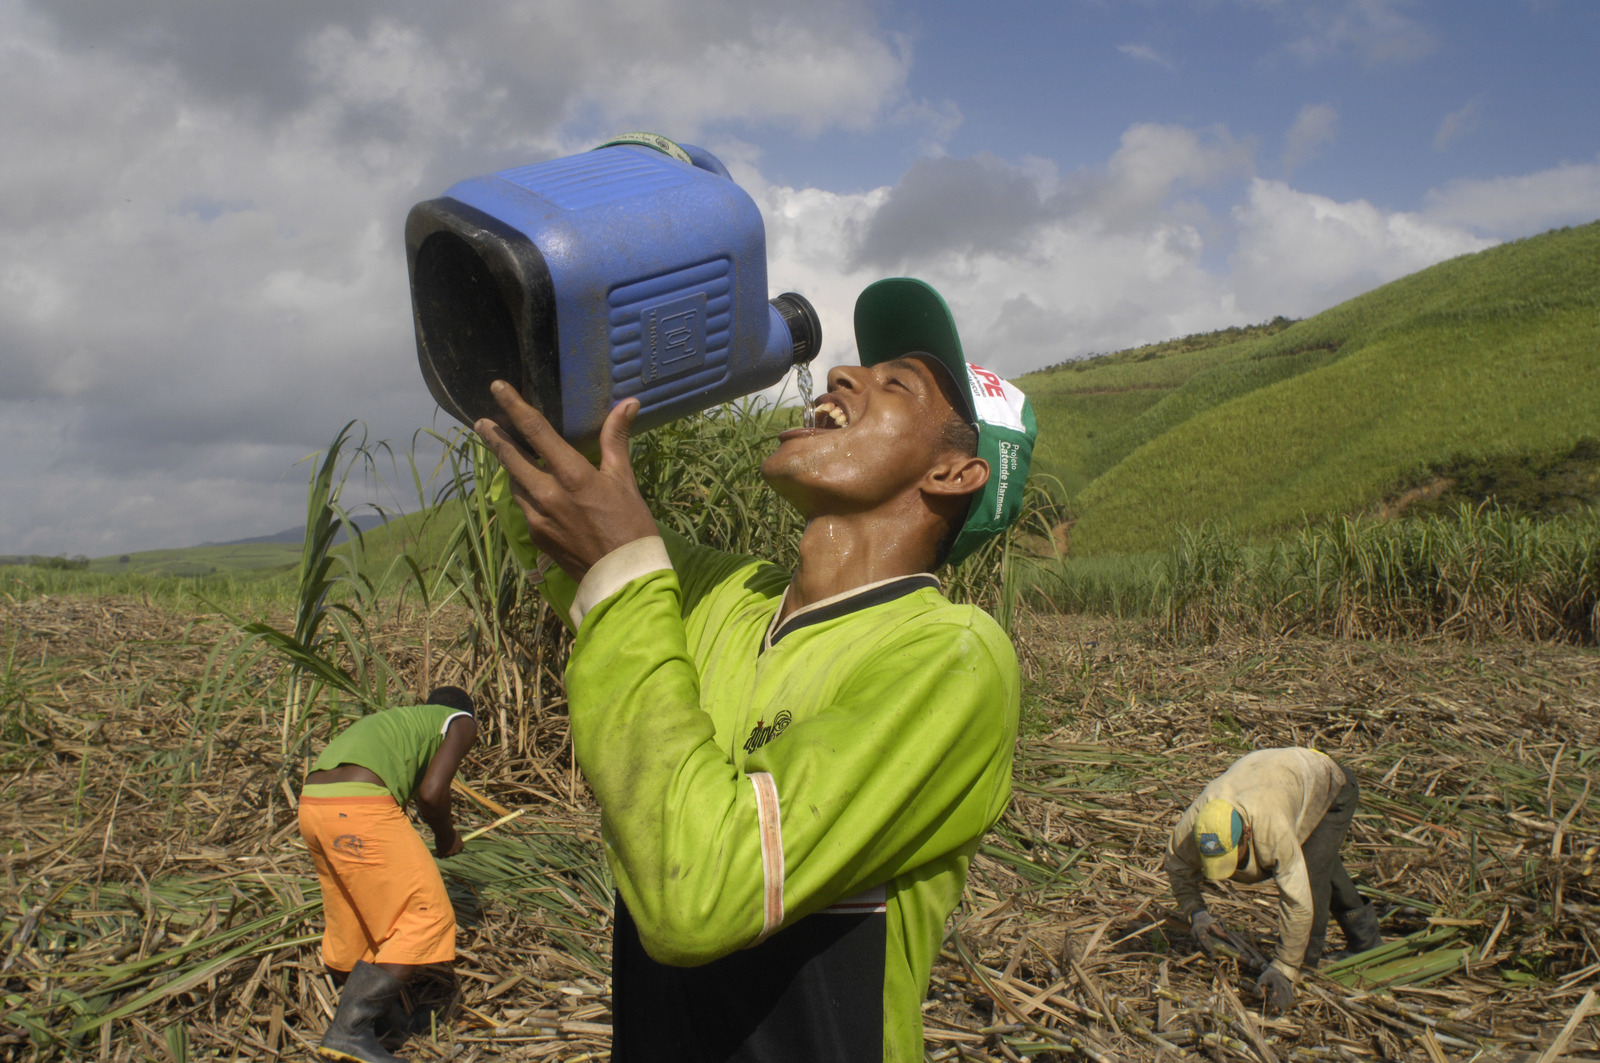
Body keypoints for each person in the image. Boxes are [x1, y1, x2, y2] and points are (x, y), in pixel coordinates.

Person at [478, 278, 1037, 1062]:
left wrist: (625, 573)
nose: (844, 373)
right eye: (857, 367)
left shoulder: (949, 656)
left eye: (894, 384)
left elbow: (698, 897)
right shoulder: (727, 596)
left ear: (951, 475)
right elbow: (550, 497)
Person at [298, 686, 478, 1063]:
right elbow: (432, 793)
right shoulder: (459, 721)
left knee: (359, 922)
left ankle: (387, 1025)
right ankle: (349, 1032)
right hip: (360, 807)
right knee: (426, 916)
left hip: (313, 807)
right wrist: (446, 838)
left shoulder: (400, 721)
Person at [1163, 746, 1384, 1014]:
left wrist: (1285, 967)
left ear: (1246, 833)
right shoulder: (1194, 827)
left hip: (1327, 784)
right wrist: (1196, 912)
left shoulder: (1272, 827)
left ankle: (1304, 972)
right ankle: (1366, 941)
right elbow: (1177, 867)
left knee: (1313, 876)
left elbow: (1297, 903)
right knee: (1322, 864)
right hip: (1275, 778)